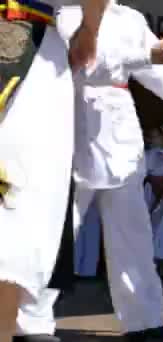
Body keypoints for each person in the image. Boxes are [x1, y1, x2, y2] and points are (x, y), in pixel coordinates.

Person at [13, 2, 163, 341]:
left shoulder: (131, 19)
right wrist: (146, 56)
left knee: (135, 235)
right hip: (75, 125)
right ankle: (29, 324)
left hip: (122, 132)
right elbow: (84, 62)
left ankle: (145, 320)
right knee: (58, 233)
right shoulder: (66, 14)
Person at [0, 0, 108, 340]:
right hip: (24, 40)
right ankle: (21, 323)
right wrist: (89, 30)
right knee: (19, 200)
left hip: (23, 39)